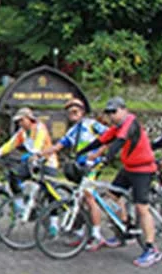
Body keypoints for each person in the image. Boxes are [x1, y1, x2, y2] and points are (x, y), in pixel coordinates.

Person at [76, 97, 162, 268]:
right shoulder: (117, 127)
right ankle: (125, 230)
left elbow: (118, 143)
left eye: (114, 112)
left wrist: (105, 159)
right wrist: (80, 152)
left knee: (141, 208)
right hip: (129, 168)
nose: (111, 116)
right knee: (112, 196)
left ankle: (152, 249)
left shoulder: (130, 123)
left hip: (143, 169)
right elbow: (101, 140)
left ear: (124, 109)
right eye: (109, 112)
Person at [39, 99, 112, 250]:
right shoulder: (72, 131)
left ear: (82, 112)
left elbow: (110, 136)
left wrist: (97, 154)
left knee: (88, 196)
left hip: (93, 166)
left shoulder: (91, 125)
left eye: (75, 111)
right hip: (80, 167)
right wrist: (39, 154)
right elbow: (57, 146)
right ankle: (82, 232)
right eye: (69, 112)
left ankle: (97, 235)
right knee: (80, 198)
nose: (72, 114)